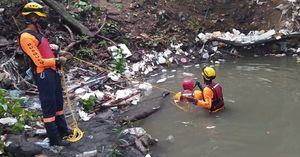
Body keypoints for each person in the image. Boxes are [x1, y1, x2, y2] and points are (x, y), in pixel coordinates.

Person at [19, 2, 72, 146]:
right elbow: (39, 61)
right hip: (43, 74)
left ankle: (63, 130)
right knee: (49, 106)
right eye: (40, 17)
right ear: (32, 18)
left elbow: (44, 51)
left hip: (52, 71)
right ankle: (55, 140)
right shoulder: (25, 37)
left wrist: (57, 52)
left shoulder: (38, 33)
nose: (43, 19)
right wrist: (57, 60)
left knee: (58, 103)